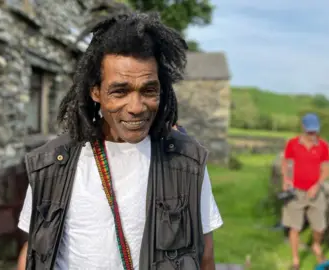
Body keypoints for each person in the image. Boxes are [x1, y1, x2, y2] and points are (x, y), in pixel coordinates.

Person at [16, 12, 223, 270]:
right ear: (96, 92)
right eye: (120, 91)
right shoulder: (51, 164)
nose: (136, 107)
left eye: (148, 90)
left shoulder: (186, 164)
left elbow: (205, 256)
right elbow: (33, 251)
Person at [281, 113, 329, 270]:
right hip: (296, 192)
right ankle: (296, 260)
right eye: (309, 131)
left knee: (320, 227)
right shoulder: (292, 144)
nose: (312, 134)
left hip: (315, 192)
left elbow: (326, 170)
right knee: (294, 227)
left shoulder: (323, 146)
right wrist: (286, 179)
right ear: (303, 128)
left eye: (314, 131)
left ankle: (316, 245)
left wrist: (317, 185)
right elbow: (286, 163)